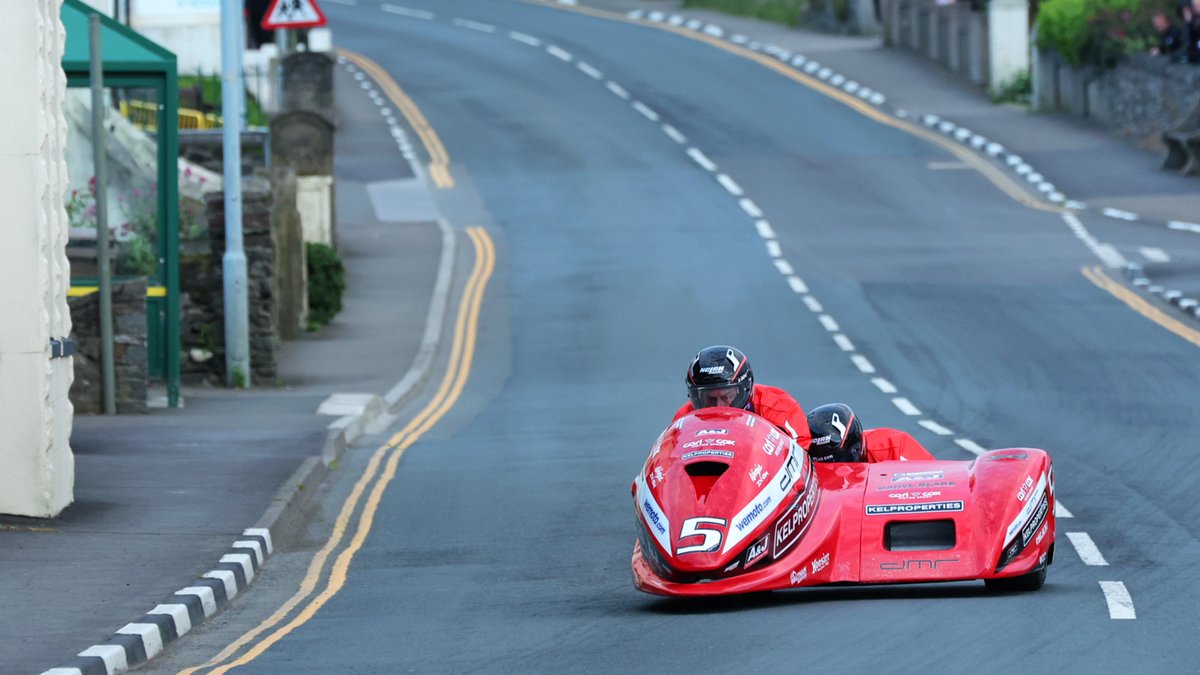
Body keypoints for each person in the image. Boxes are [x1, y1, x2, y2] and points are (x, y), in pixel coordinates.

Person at [672, 345, 811, 446]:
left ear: (746, 388)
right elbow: (668, 461)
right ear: (695, 396)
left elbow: (801, 460)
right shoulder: (683, 419)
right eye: (709, 398)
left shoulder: (779, 408)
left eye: (726, 397)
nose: (719, 406)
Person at [805, 403, 934, 463]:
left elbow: (935, 485)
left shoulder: (895, 447)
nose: (834, 470)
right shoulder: (804, 462)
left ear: (855, 448)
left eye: (839, 461)